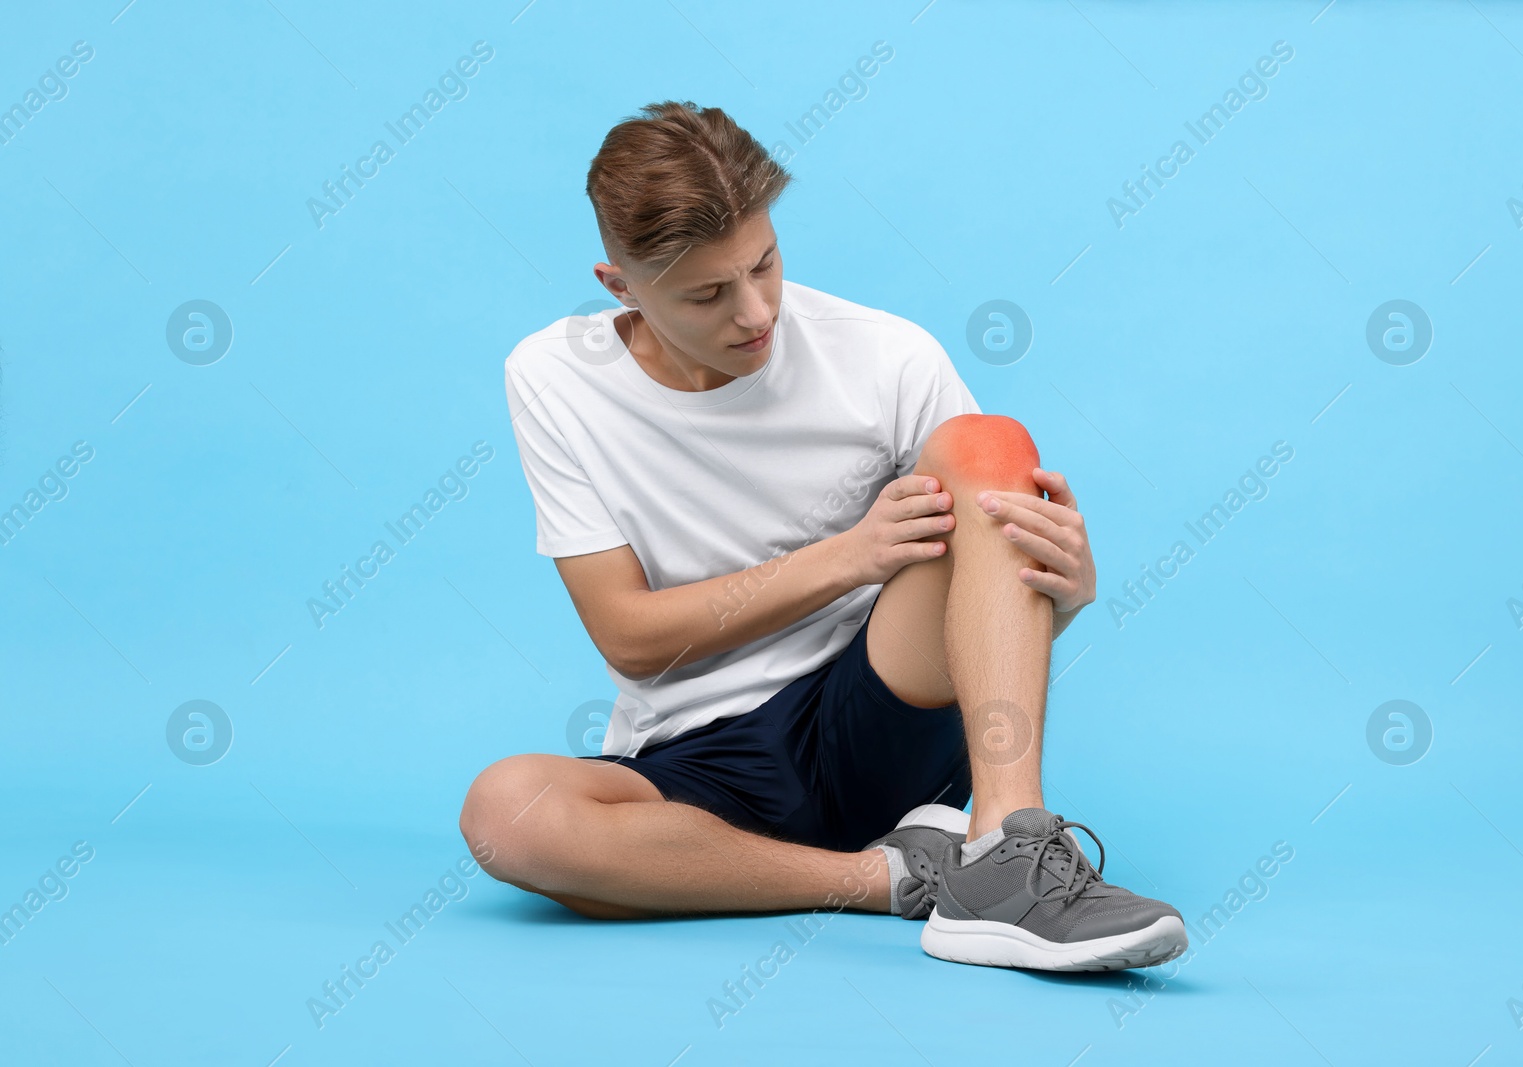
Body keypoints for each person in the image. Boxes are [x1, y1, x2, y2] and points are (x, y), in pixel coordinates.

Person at [458, 100, 1186, 971]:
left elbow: (990, 603)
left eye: (764, 263)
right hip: (696, 758)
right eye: (707, 292)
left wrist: (1064, 589)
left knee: (985, 444)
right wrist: (849, 555)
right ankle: (893, 879)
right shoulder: (550, 377)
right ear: (620, 285)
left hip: (877, 709)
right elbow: (631, 639)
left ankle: (1005, 852)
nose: (756, 310)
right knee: (507, 812)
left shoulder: (887, 356)